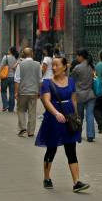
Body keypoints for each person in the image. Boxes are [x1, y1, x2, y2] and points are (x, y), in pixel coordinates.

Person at [36, 57, 90, 193]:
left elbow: (73, 99)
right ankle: (47, 177)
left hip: (69, 119)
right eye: (52, 65)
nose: (54, 68)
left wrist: (76, 116)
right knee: (51, 149)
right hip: (54, 120)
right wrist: (56, 113)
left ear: (65, 67)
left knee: (71, 150)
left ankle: (77, 182)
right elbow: (46, 101)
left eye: (56, 65)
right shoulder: (47, 83)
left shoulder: (71, 81)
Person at [14, 48, 41, 137]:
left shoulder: (20, 65)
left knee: (21, 110)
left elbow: (17, 80)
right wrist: (39, 91)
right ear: (32, 54)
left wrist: (16, 92)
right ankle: (31, 132)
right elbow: (40, 80)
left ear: (24, 55)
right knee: (32, 112)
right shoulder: (38, 64)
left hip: (23, 91)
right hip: (34, 91)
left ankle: (22, 128)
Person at [71, 49, 96, 142]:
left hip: (80, 95)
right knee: (90, 115)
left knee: (79, 116)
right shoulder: (92, 67)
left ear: (81, 56)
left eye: (77, 55)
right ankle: (90, 135)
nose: (77, 57)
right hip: (90, 94)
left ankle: (78, 134)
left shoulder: (78, 67)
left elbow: (72, 79)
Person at [0, 47, 19, 112]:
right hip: (13, 77)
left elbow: (1, 66)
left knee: (3, 91)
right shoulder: (16, 58)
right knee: (12, 93)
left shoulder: (6, 57)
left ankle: (5, 105)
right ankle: (11, 108)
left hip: (5, 77)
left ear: (10, 51)